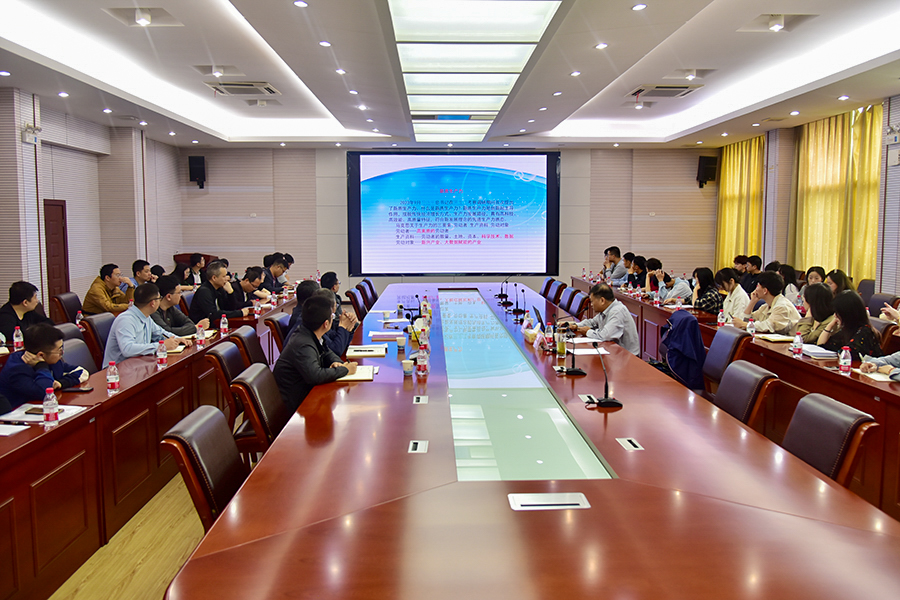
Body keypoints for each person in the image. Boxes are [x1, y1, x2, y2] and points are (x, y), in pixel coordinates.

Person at [273, 294, 357, 412]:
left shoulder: (309, 332)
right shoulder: (303, 344)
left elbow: (327, 352)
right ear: (326, 324)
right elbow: (315, 376)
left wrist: (337, 363)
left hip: (305, 394)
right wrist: (345, 370)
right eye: (332, 316)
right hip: (295, 406)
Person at [0, 323, 90, 412]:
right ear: (41, 355)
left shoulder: (53, 361)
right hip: (17, 415)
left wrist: (61, 383)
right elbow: (44, 392)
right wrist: (41, 366)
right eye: (59, 350)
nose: (62, 353)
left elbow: (82, 371)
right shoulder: (16, 369)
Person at [104, 283, 191, 365]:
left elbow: (161, 333)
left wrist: (178, 339)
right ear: (153, 303)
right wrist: (161, 346)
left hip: (138, 364)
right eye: (159, 298)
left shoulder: (146, 317)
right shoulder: (126, 320)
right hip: (118, 370)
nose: (160, 301)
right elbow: (128, 349)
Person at [557, 283, 639, 355]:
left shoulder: (617, 311)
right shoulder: (607, 308)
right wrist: (575, 326)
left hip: (627, 356)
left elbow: (605, 336)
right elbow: (592, 322)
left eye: (592, 301)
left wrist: (587, 332)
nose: (591, 305)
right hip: (613, 351)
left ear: (602, 300)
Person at [817, 291, 881, 361]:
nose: (835, 316)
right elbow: (821, 347)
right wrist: (829, 326)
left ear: (847, 314)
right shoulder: (847, 329)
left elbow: (848, 354)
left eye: (838, 313)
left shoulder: (865, 331)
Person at [732, 271, 801, 335]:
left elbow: (769, 325)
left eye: (757, 286)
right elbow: (748, 320)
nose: (755, 289)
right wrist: (752, 302)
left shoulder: (782, 306)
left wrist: (744, 324)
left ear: (765, 291)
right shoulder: (766, 306)